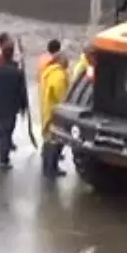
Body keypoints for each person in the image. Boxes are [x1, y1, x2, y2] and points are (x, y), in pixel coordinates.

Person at [0, 38, 28, 170]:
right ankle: (3, 159)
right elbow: (22, 92)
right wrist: (23, 107)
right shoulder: (17, 73)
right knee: (6, 133)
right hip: (10, 108)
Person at [39, 41, 70, 179]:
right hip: (55, 114)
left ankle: (47, 168)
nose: (68, 61)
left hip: (47, 109)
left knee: (48, 141)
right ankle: (51, 169)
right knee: (54, 142)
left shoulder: (48, 72)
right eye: (66, 59)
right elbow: (62, 97)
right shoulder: (59, 76)